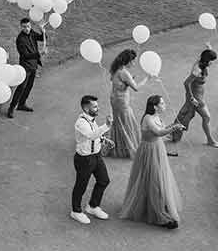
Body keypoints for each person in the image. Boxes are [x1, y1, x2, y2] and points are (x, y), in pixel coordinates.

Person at [119, 95, 184, 229]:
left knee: (159, 178)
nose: (164, 104)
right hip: (149, 151)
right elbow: (159, 132)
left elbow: (162, 132)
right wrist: (174, 127)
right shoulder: (148, 118)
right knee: (154, 180)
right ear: (155, 106)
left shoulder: (156, 117)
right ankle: (159, 215)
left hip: (157, 148)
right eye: (162, 103)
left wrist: (175, 126)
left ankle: (157, 206)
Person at [70, 94, 113, 224]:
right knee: (81, 186)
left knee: (104, 180)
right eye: (94, 106)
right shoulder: (81, 122)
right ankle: (76, 211)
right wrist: (106, 126)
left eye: (97, 106)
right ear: (86, 108)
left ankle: (93, 206)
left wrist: (104, 139)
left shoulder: (92, 120)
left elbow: (96, 135)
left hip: (96, 156)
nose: (98, 108)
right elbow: (90, 135)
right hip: (84, 159)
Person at [169, 49, 218, 152]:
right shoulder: (197, 70)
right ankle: (210, 140)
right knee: (206, 117)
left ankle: (173, 132)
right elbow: (186, 83)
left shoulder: (202, 62)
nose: (212, 63)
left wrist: (208, 47)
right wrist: (192, 98)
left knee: (185, 115)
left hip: (199, 94)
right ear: (207, 60)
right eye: (211, 61)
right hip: (196, 97)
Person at [106, 50, 148, 159]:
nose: (134, 64)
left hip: (114, 99)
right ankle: (127, 147)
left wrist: (127, 82)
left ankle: (118, 145)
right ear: (127, 61)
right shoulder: (124, 72)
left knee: (119, 121)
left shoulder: (115, 68)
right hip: (121, 101)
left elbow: (114, 80)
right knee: (126, 122)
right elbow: (136, 88)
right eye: (133, 61)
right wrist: (147, 78)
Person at [7, 16, 45, 118]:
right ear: (21, 27)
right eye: (24, 27)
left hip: (33, 66)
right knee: (21, 87)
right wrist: (39, 53)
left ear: (30, 25)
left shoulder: (32, 33)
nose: (27, 29)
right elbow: (24, 55)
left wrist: (43, 31)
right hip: (25, 67)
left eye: (28, 26)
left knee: (29, 86)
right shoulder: (20, 39)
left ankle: (22, 104)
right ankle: (11, 108)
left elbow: (42, 38)